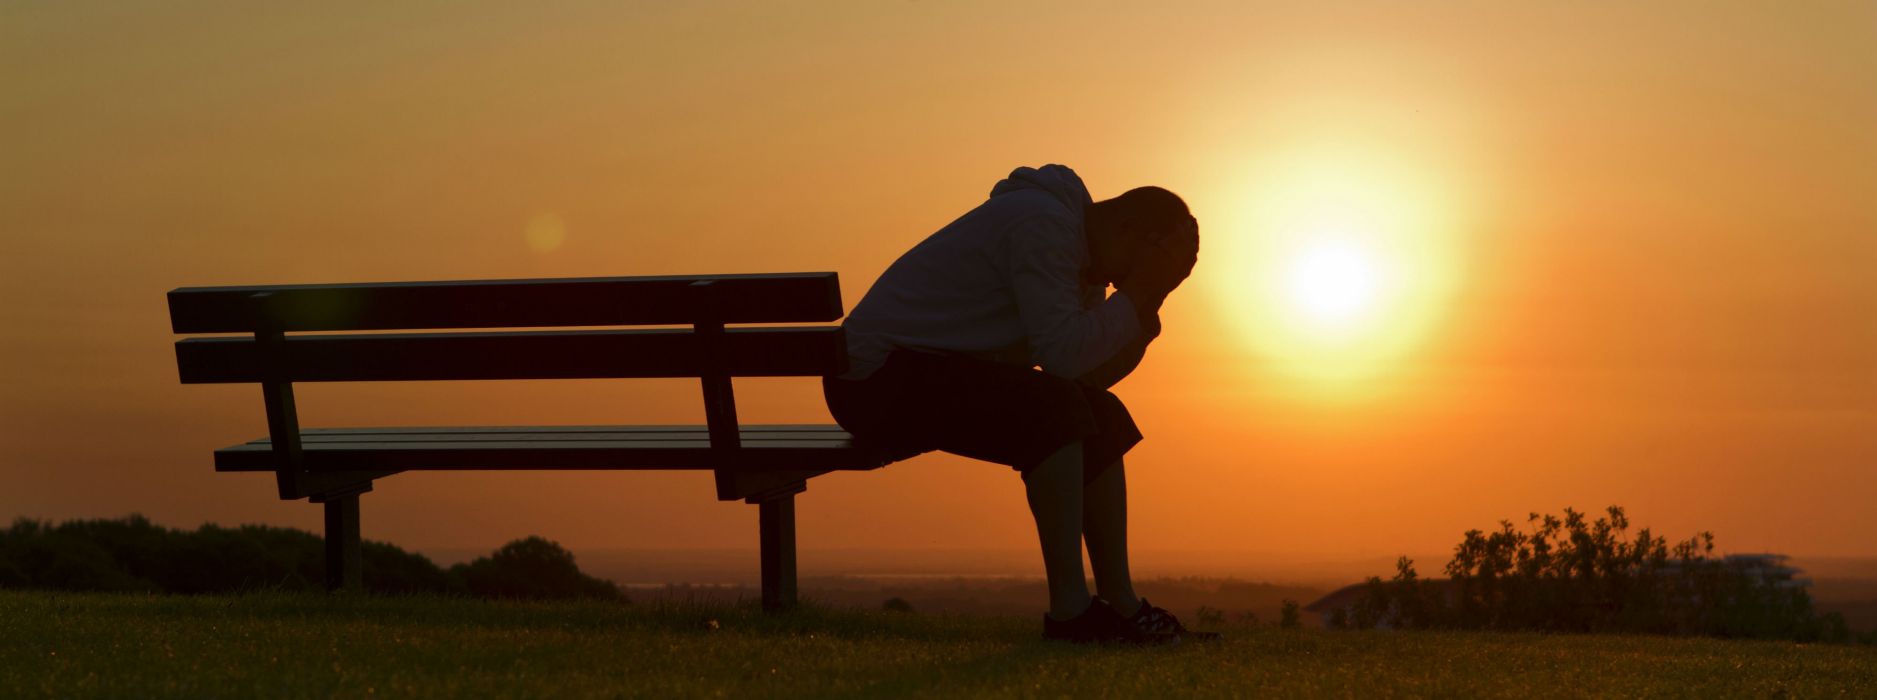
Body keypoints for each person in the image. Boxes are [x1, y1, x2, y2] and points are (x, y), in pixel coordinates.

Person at [822, 164, 1206, 643]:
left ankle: (1121, 604)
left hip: (922, 372)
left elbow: (1089, 376)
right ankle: (1071, 613)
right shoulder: (1042, 225)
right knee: (1056, 413)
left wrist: (1149, 301)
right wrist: (1139, 293)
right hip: (874, 381)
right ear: (1127, 228)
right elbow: (1065, 363)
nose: (1126, 280)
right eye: (1141, 265)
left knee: (1102, 415)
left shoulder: (1081, 255)